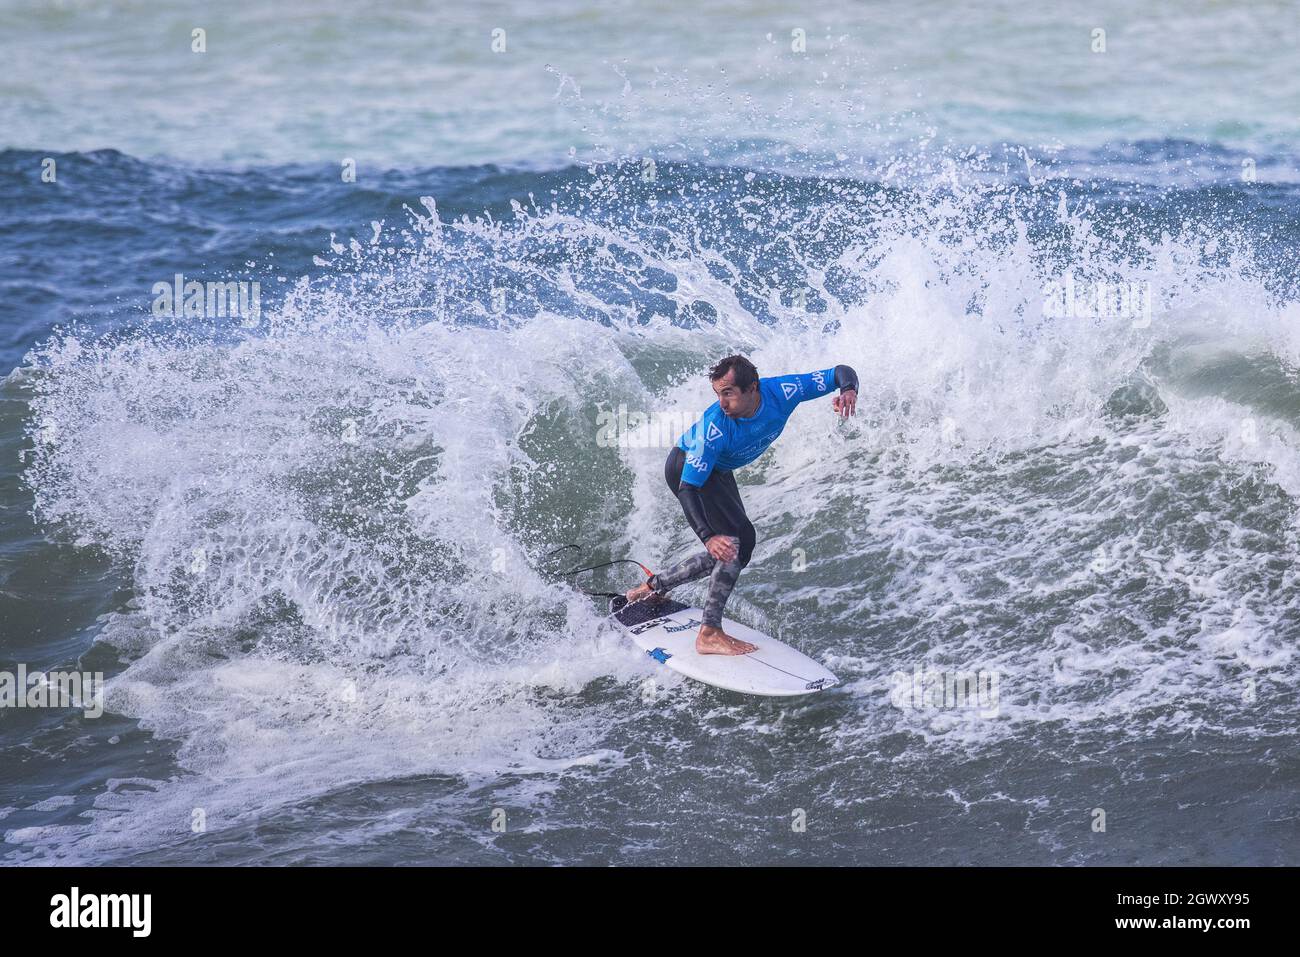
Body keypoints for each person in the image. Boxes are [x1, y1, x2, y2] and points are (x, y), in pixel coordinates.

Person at [625, 354, 858, 655]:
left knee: (739, 546)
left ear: (752, 389)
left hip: (718, 471)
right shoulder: (715, 429)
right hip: (687, 471)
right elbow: (688, 487)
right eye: (718, 394)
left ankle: (651, 590)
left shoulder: (784, 391)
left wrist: (848, 390)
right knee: (731, 542)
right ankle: (708, 632)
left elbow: (840, 372)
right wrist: (707, 536)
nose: (722, 403)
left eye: (728, 393)